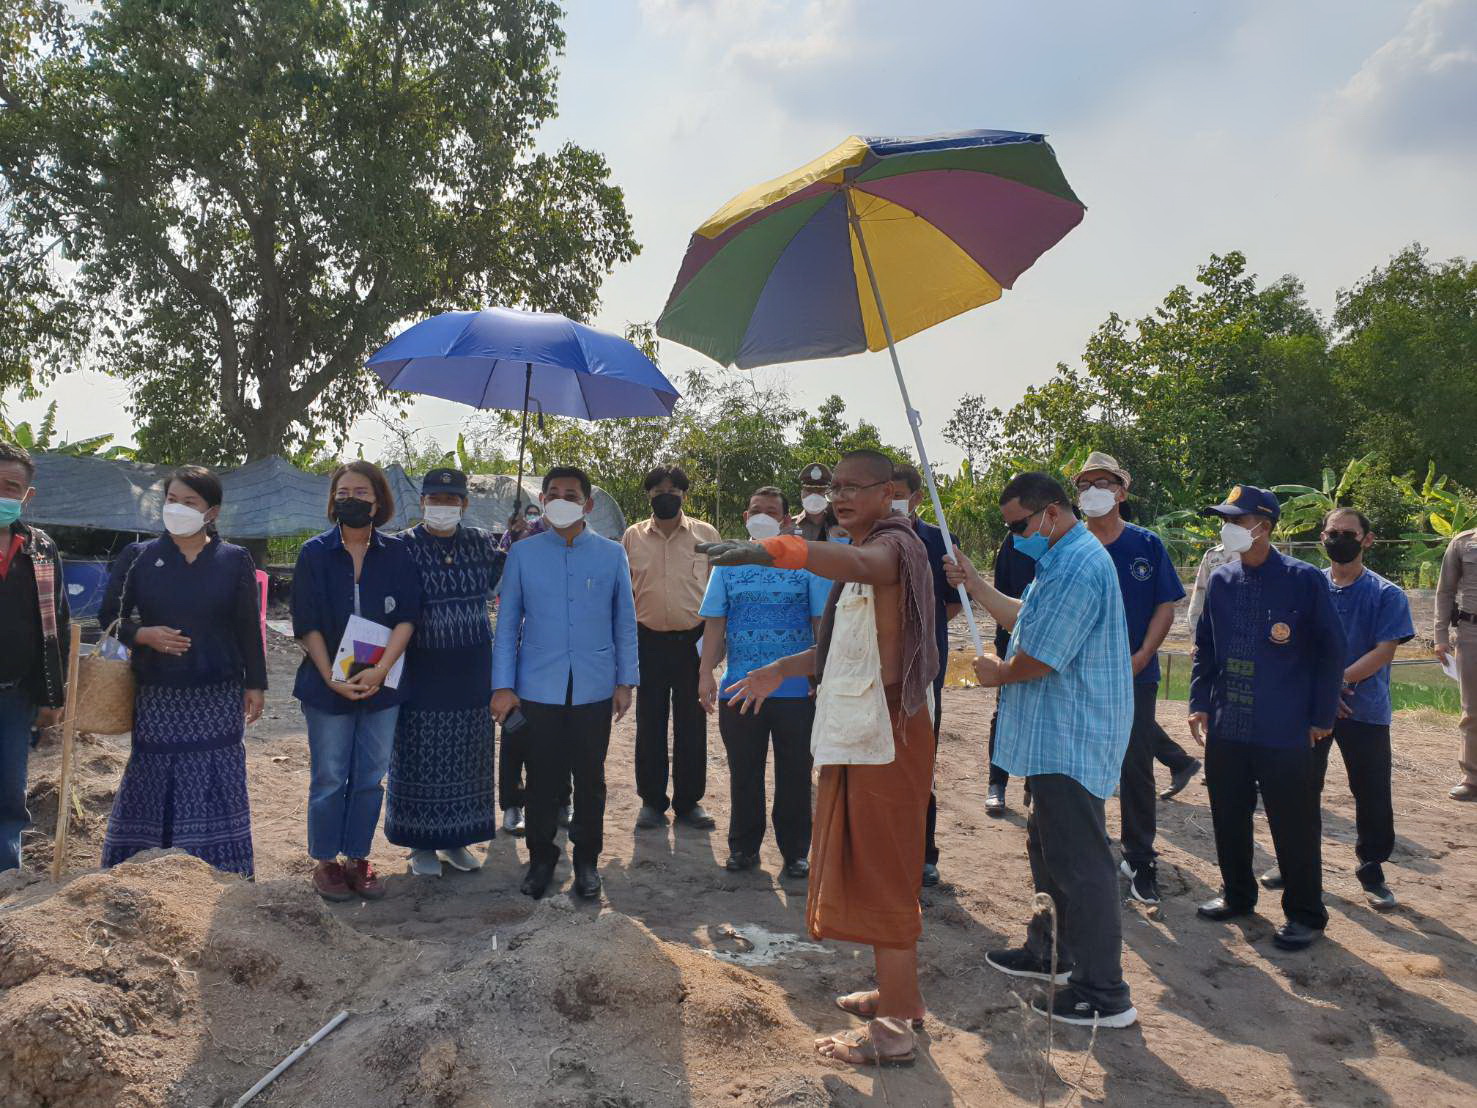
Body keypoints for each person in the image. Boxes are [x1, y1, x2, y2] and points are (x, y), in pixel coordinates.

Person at [699, 448, 938, 1067]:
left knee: (885, 872)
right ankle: (899, 995)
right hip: (863, 729)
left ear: (891, 492)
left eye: (857, 487)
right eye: (836, 487)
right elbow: (835, 645)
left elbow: (866, 564)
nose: (842, 496)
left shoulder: (895, 546)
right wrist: (778, 667)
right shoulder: (862, 551)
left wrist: (779, 550)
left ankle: (893, 1034)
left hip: (888, 733)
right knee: (868, 861)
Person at [945, 472, 1137, 1029]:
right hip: (1054, 732)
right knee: (1049, 848)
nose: (1014, 538)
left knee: (1082, 863)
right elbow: (1024, 621)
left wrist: (997, 674)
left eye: (1018, 526)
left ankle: (1104, 990)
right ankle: (1050, 952)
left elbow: (1039, 659)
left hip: (1073, 733)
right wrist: (976, 584)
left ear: (1050, 513)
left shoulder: (1078, 566)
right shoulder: (1057, 557)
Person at [1188, 485, 1345, 952]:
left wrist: (1321, 714)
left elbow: (1331, 650)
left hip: (1284, 726)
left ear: (1263, 526)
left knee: (1293, 822)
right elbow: (1206, 647)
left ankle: (1306, 914)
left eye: (1236, 520)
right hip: (1228, 723)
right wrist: (1199, 702)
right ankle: (1238, 895)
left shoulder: (1304, 580)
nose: (1228, 529)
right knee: (1228, 816)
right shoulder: (1222, 580)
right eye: (1226, 520)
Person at [97, 466, 265, 877]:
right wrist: (143, 635)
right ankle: (143, 868)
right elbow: (109, 617)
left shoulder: (234, 560)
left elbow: (247, 625)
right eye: (172, 499)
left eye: (190, 502)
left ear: (212, 512)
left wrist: (256, 683)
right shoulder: (139, 557)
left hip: (218, 690)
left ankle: (220, 869)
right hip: (158, 690)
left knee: (216, 774)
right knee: (153, 772)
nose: (177, 508)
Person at [491, 466, 638, 900]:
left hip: (594, 685)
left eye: (570, 494)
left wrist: (626, 680)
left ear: (587, 504)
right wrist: (502, 685)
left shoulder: (611, 555)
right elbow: (507, 624)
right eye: (552, 492)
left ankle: (588, 861)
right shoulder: (524, 552)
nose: (560, 500)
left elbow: (624, 622)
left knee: (590, 779)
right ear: (542, 498)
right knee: (541, 778)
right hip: (537, 685)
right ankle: (541, 859)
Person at [1259, 508, 1412, 908]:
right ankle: (1293, 862)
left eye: (1348, 533)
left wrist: (1337, 683)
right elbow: (1291, 642)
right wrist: (1318, 691)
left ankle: (1371, 866)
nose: (1339, 539)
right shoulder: (1308, 586)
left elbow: (1385, 650)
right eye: (1332, 533)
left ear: (1367, 539)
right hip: (1310, 708)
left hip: (1364, 711)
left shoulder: (1386, 594)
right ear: (1322, 538)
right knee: (1301, 788)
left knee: (1372, 791)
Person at [292, 461, 421, 901]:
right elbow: (305, 623)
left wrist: (382, 670)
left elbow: (408, 617)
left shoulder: (399, 553)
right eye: (344, 492)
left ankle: (358, 857)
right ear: (333, 501)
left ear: (378, 501)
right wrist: (331, 677)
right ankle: (327, 861)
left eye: (362, 492)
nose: (353, 499)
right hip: (326, 684)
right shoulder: (313, 552)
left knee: (370, 774)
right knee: (329, 774)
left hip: (383, 684)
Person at [1073, 451, 1196, 904]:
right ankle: (1087, 851)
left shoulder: (1145, 545)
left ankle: (1140, 859)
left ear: (1121, 491)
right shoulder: (1070, 546)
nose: (1092, 492)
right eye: (1084, 485)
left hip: (1133, 676)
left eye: (1102, 483)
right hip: (1078, 680)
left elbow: (1166, 603)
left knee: (1135, 768)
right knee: (1079, 768)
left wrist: (1145, 653)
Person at [697, 486, 828, 877]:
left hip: (794, 690)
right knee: (744, 772)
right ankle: (743, 848)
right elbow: (716, 621)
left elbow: (820, 623)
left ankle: (795, 852)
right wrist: (705, 673)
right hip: (739, 687)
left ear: (787, 520)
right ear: (744, 517)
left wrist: (818, 676)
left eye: (771, 511)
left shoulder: (805, 563)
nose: (763, 516)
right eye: (756, 510)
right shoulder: (727, 564)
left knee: (794, 774)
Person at [385, 468, 505, 877]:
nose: (443, 506)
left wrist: (515, 538)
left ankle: (458, 840)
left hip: (472, 667)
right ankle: (420, 846)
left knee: (469, 754)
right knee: (417, 753)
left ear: (464, 504)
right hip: (420, 665)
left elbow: (499, 581)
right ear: (422, 502)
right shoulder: (401, 547)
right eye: (435, 499)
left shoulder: (480, 543)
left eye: (451, 500)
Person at [622, 464, 720, 831]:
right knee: (649, 722)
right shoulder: (632, 537)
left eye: (673, 491)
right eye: (658, 490)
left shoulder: (706, 534)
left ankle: (689, 803)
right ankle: (651, 801)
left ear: (684, 495)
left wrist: (713, 650)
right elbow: (624, 594)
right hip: (647, 641)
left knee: (692, 723)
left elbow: (717, 593)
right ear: (648, 495)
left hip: (692, 642)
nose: (666, 496)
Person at [0, 441, 70, 874]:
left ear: (27, 496)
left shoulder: (40, 550)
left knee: (9, 790)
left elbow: (56, 626)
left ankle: (6, 875)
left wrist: (51, 695)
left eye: (11, 486)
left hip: (14, 695)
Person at [892, 463, 961, 887]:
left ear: (917, 497)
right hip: (877, 667)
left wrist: (923, 633)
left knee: (920, 755)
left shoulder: (939, 541)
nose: (893, 500)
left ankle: (923, 853)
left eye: (900, 493)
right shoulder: (868, 538)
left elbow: (952, 604)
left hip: (924, 667)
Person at [984, 532, 1035, 815]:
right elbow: (1000, 589)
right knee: (1003, 712)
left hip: (1054, 645)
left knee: (1042, 715)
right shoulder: (1014, 539)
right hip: (1011, 639)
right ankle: (996, 785)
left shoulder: (1074, 545)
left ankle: (1034, 787)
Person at [1434, 523, 1477, 801]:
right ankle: (1472, 777)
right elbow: (1445, 591)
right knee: (1472, 709)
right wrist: (1440, 636)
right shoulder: (1464, 542)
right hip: (1472, 633)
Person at [793, 461, 837, 541]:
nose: (814, 496)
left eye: (820, 491)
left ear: (829, 494)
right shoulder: (789, 527)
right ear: (802, 494)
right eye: (809, 490)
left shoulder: (840, 526)